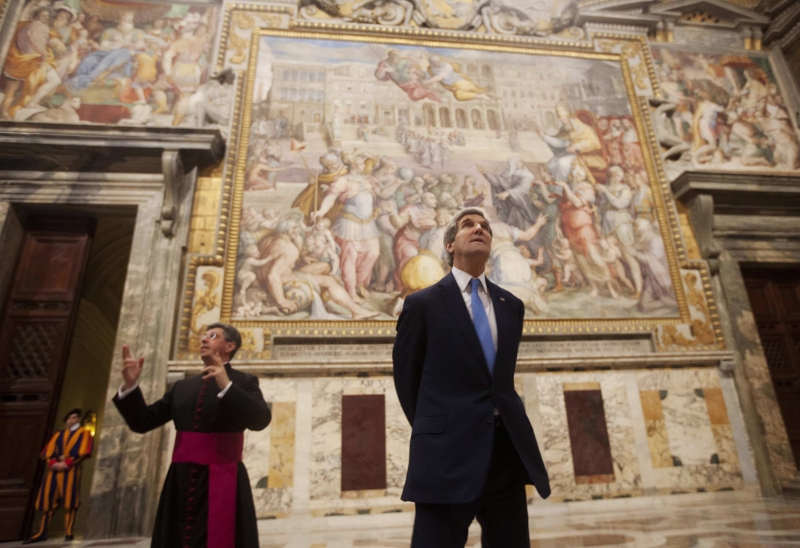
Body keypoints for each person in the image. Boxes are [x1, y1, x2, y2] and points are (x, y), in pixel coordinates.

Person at [393, 207, 550, 547]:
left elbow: (499, 380)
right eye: (468, 225)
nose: (479, 229)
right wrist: (437, 425)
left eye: (485, 227)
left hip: (505, 451)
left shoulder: (512, 305)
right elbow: (408, 379)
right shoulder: (423, 304)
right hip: (446, 454)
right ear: (450, 245)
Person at [113, 323, 271, 548]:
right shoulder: (182, 387)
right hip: (180, 481)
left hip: (225, 476)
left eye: (212, 336)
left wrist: (226, 384)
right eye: (203, 336)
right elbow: (143, 422)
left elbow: (260, 420)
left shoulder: (244, 382)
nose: (204, 340)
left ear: (229, 345)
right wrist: (130, 386)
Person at [24, 409, 93, 544]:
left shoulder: (84, 433)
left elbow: (83, 451)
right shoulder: (58, 434)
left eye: (74, 418)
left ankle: (68, 532)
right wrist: (54, 463)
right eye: (69, 418)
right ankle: (42, 532)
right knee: (47, 501)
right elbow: (47, 452)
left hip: (71, 471)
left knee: (70, 501)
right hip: (54, 471)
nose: (71, 420)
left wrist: (66, 463)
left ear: (78, 419)